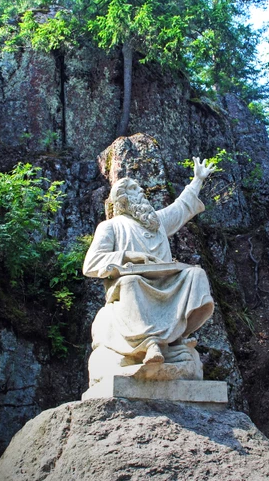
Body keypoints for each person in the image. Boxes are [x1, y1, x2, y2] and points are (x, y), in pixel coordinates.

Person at [83, 157, 216, 374]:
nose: (141, 191)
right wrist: (129, 256)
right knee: (132, 282)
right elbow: (91, 263)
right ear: (123, 199)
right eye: (134, 189)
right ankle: (149, 344)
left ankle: (178, 337)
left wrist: (198, 179)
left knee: (196, 275)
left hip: (165, 281)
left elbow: (181, 207)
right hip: (132, 282)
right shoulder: (111, 227)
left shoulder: (157, 223)